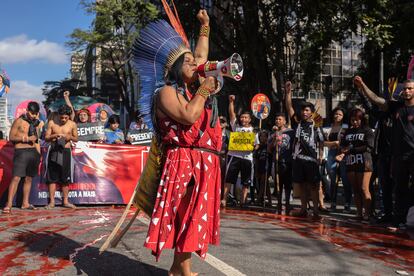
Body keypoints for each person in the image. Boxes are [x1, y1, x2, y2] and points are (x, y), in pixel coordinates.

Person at [127, 10, 220, 275]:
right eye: (188, 62)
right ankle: (180, 270)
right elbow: (189, 116)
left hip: (203, 161)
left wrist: (205, 26)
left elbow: (201, 56)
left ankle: (181, 269)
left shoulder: (190, 89)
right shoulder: (166, 92)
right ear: (175, 68)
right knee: (186, 215)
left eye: (195, 61)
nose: (197, 64)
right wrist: (204, 89)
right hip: (184, 161)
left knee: (193, 216)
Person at [354, 76, 414, 227]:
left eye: (410, 88)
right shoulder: (396, 107)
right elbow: (375, 100)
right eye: (405, 88)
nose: (407, 91)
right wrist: (363, 85)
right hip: (398, 156)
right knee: (399, 189)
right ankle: (398, 220)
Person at [285, 81, 324, 218]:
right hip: (298, 159)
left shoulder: (316, 124)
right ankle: (303, 209)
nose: (304, 112)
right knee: (300, 185)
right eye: (303, 110)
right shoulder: (297, 122)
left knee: (313, 186)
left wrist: (321, 156)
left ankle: (316, 211)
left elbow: (321, 141)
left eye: (307, 110)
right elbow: (289, 107)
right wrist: (288, 92)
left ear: (311, 113)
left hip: (312, 160)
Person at [2, 102, 41, 213]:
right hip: (21, 151)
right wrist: (26, 139)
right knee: (16, 178)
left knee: (29, 178)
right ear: (27, 110)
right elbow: (11, 137)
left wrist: (39, 154)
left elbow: (36, 140)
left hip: (33, 153)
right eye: (31, 113)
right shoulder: (19, 121)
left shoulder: (36, 123)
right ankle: (8, 204)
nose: (33, 115)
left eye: (35, 113)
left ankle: (25, 203)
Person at [336, 108, 374, 220]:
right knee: (355, 189)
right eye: (353, 120)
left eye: (357, 120)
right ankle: (359, 213)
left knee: (363, 188)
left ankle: (367, 214)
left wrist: (351, 150)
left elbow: (369, 146)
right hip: (350, 163)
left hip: (365, 163)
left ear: (362, 119)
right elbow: (343, 145)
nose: (355, 122)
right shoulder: (347, 131)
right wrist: (342, 152)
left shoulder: (367, 130)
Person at [222, 95, 259, 208]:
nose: (243, 119)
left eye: (246, 117)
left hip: (247, 158)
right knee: (229, 179)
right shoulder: (236, 127)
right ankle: (224, 199)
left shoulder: (254, 131)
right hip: (234, 156)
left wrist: (253, 147)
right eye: (242, 117)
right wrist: (231, 102)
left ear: (250, 119)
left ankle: (243, 201)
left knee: (246, 181)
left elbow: (257, 145)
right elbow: (231, 114)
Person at [44, 104, 78, 209]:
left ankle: (65, 201)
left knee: (65, 178)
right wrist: (54, 136)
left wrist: (69, 137)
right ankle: (52, 202)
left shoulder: (72, 124)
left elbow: (76, 138)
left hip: (66, 151)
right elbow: (46, 138)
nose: (63, 119)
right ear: (58, 115)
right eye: (61, 117)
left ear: (69, 116)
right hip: (54, 150)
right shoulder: (52, 123)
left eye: (65, 118)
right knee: (52, 178)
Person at [323, 107, 352, 212]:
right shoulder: (328, 128)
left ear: (343, 116)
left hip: (344, 154)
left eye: (340, 114)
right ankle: (333, 202)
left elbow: (348, 142)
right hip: (331, 153)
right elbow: (323, 142)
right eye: (336, 114)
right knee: (332, 179)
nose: (337, 116)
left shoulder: (346, 127)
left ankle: (348, 203)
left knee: (345, 179)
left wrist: (340, 147)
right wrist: (334, 143)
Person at [268, 113, 295, 214]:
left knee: (287, 184)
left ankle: (287, 203)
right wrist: (274, 140)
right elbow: (269, 150)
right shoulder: (273, 134)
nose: (278, 121)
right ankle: (279, 203)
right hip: (277, 161)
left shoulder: (291, 132)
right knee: (278, 183)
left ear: (284, 121)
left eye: (280, 119)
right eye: (276, 119)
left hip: (287, 161)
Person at [255, 130, 272, 207]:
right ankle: (270, 200)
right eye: (261, 136)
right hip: (259, 166)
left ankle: (258, 199)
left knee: (263, 183)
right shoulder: (258, 146)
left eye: (265, 136)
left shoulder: (268, 146)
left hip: (267, 166)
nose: (263, 138)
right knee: (266, 185)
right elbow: (256, 158)